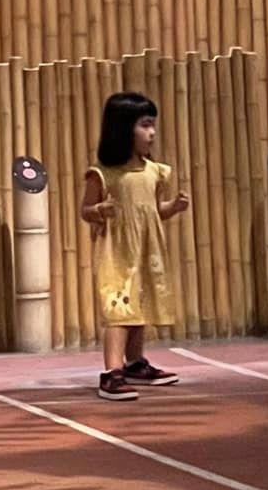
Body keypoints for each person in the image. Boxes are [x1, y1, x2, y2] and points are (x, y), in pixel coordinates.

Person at [80, 91, 190, 402]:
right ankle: (111, 372)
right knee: (119, 310)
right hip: (117, 253)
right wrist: (99, 210)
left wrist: (174, 207)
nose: (152, 132)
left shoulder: (155, 172)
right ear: (123, 129)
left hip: (145, 251)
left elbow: (154, 211)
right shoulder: (104, 174)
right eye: (145, 125)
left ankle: (135, 363)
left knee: (138, 306)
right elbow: (85, 210)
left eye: (153, 125)